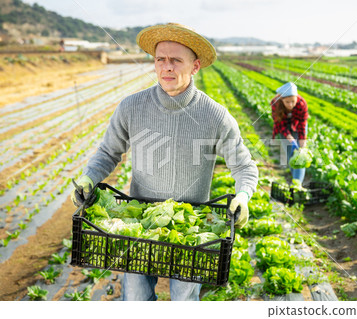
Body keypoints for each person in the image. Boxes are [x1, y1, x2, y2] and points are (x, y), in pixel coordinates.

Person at [70, 23, 258, 301]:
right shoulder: (131, 107)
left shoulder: (215, 116)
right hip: (139, 226)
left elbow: (244, 166)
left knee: (184, 301)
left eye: (176, 60)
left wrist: (243, 194)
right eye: (161, 59)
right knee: (134, 299)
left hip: (190, 229)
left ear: (194, 67)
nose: (167, 67)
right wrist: (89, 177)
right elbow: (108, 153)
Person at [271, 82, 308, 184]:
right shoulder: (275, 104)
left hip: (297, 125)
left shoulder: (301, 104)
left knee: (300, 155)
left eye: (293, 101)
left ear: (297, 98)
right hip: (284, 127)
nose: (291, 104)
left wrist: (302, 143)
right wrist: (290, 139)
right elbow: (280, 125)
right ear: (281, 99)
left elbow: (302, 125)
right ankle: (294, 179)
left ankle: (297, 184)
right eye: (287, 102)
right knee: (290, 155)